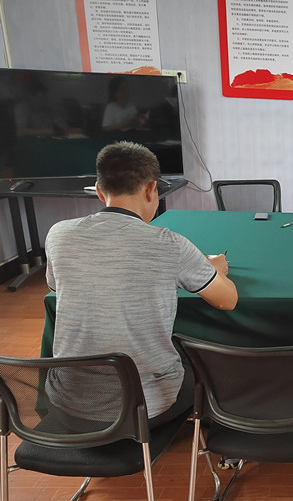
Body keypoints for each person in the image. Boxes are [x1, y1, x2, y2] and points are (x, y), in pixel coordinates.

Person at [45, 141, 238, 427]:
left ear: (99, 191)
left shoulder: (58, 234)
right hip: (144, 407)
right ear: (151, 189)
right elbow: (227, 300)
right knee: (202, 363)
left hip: (68, 402)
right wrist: (214, 269)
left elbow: (56, 287)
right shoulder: (170, 244)